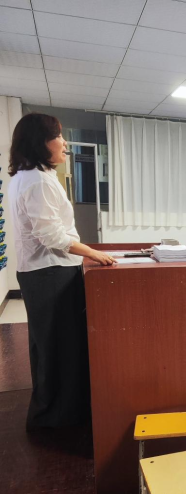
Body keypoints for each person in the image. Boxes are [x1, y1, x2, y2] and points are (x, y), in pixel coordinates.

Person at [8, 113, 117, 430]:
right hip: (50, 273)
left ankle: (53, 411)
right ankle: (58, 419)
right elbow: (52, 236)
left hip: (40, 272)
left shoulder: (28, 176)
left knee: (48, 346)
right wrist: (93, 253)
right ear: (40, 142)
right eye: (58, 135)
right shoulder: (38, 181)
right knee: (61, 348)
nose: (65, 142)